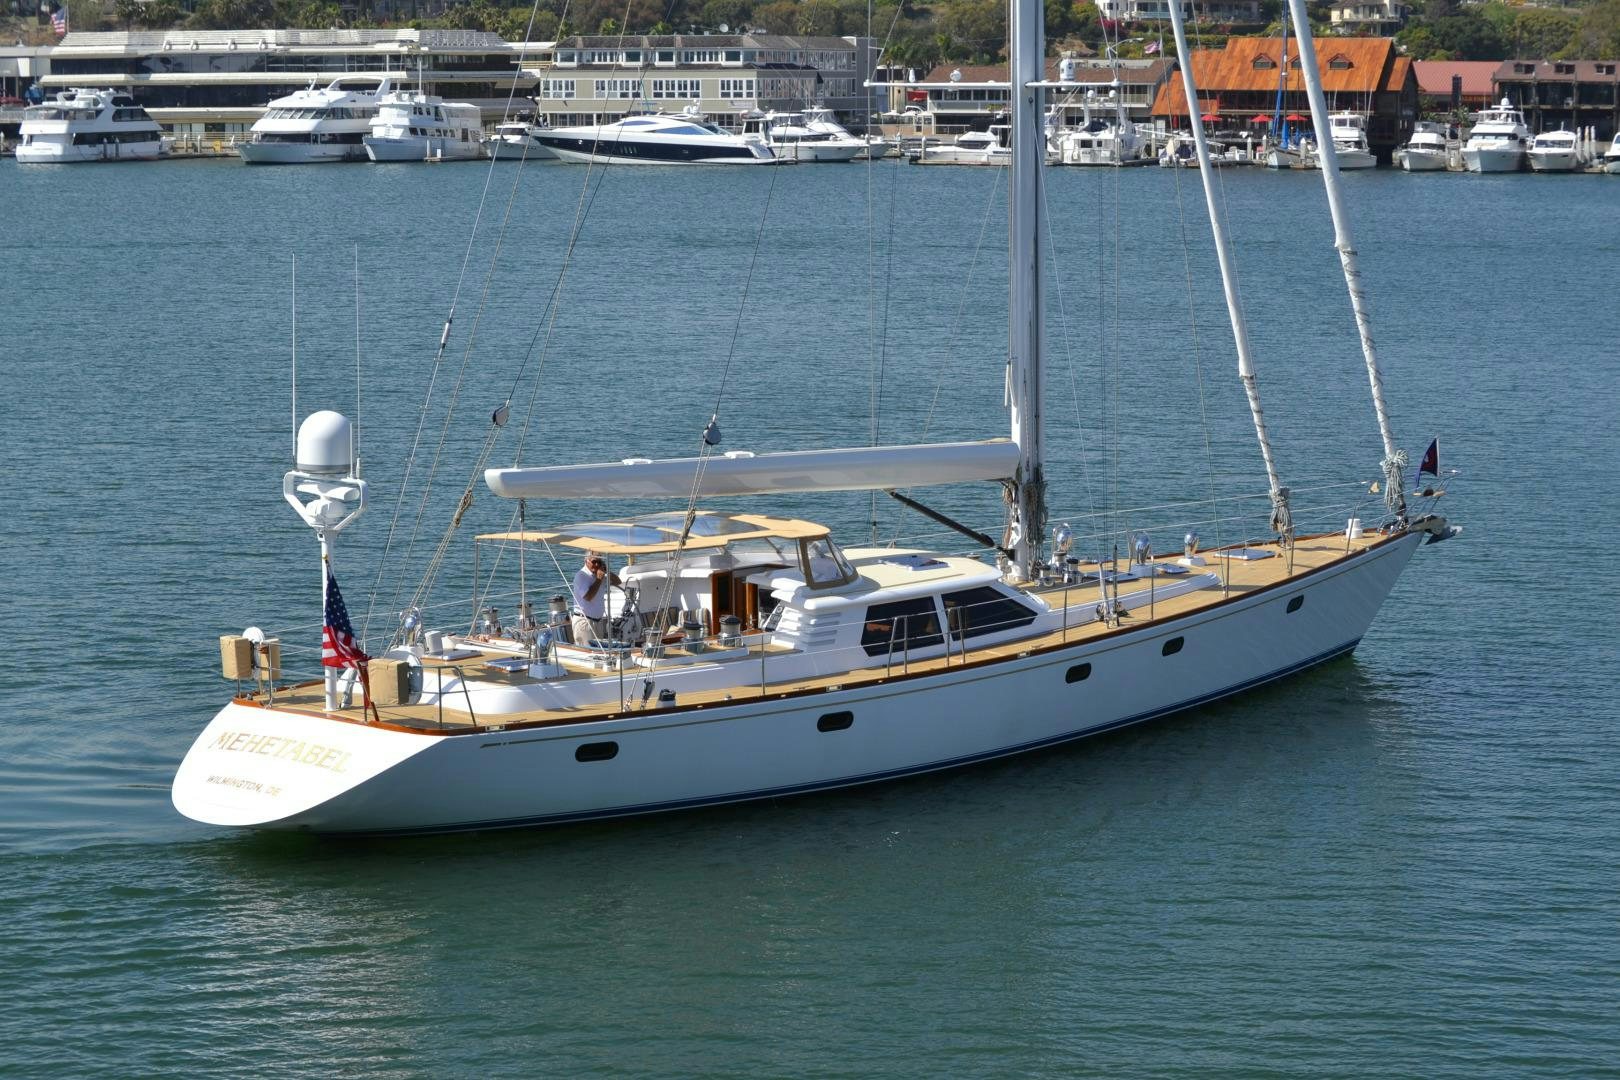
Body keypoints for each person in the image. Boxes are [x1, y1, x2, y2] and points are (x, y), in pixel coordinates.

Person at [571, 550, 620, 645]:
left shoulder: (599, 574)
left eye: (599, 562)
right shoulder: (581, 576)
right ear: (586, 561)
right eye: (594, 562)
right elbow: (588, 596)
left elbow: (618, 582)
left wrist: (606, 571)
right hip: (585, 622)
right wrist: (598, 580)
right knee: (588, 654)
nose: (597, 564)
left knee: (599, 654)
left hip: (598, 622)